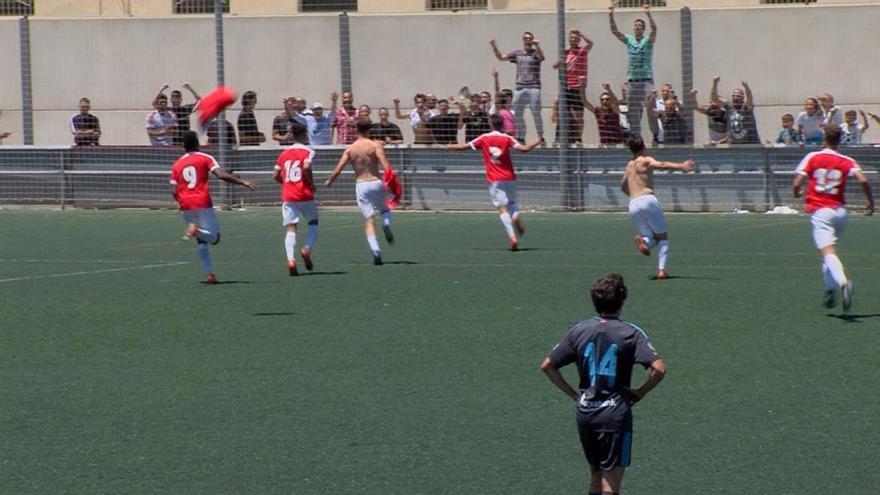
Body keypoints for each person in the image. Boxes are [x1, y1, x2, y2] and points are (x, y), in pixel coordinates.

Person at [541, 273, 666, 495]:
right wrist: (641, 392)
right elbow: (659, 368)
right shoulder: (631, 333)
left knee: (596, 475)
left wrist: (574, 395)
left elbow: (548, 365)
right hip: (615, 415)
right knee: (611, 483)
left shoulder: (579, 329)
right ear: (622, 301)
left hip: (586, 412)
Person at [792, 125, 874, 311]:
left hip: (821, 211)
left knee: (828, 252)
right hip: (840, 212)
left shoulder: (813, 156)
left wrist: (797, 192)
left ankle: (843, 283)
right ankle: (829, 291)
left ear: (824, 139)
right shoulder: (847, 160)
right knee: (827, 251)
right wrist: (870, 202)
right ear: (840, 140)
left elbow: (797, 182)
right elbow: (863, 180)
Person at [170, 131, 257, 284]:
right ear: (197, 144)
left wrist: (181, 203)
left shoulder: (176, 164)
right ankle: (194, 231)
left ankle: (210, 274)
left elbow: (173, 191)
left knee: (201, 241)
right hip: (202, 202)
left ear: (184, 147)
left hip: (185, 205)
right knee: (214, 239)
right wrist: (242, 182)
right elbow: (220, 175)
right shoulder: (205, 158)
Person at [446, 114, 541, 251]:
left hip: (495, 179)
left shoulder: (484, 138)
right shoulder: (507, 138)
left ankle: (512, 237)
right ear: (503, 124)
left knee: (502, 208)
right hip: (509, 176)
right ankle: (516, 216)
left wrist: (449, 146)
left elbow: (464, 147)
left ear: (491, 124)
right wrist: (537, 141)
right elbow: (524, 149)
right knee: (512, 204)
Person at [621, 135, 694, 279]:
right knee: (663, 237)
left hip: (633, 203)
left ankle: (645, 244)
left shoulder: (629, 165)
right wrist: (682, 166)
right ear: (644, 147)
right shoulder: (646, 160)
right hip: (647, 199)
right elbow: (661, 165)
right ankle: (661, 270)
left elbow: (622, 185)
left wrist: (633, 193)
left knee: (650, 237)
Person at [324, 118, 396, 265]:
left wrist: (330, 181)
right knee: (385, 209)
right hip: (376, 181)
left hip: (361, 184)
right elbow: (385, 164)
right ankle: (386, 224)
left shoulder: (351, 149)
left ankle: (376, 250)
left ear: (357, 129)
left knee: (369, 220)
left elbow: (338, 168)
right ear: (370, 129)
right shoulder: (375, 145)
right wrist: (392, 180)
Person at [274, 123, 319, 276]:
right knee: (313, 223)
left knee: (291, 228)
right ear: (305, 135)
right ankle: (306, 248)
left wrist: (286, 183)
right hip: (304, 194)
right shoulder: (308, 151)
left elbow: (275, 175)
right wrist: (311, 184)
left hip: (289, 195)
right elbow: (306, 167)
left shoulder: (284, 153)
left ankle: (291, 260)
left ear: (292, 135)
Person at [609, 4, 656, 140]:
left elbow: (654, 30)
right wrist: (611, 14)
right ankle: (636, 136)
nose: (637, 27)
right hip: (632, 80)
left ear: (643, 29)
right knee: (633, 112)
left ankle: (655, 135)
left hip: (646, 79)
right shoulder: (629, 40)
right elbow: (615, 31)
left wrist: (648, 14)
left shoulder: (647, 41)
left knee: (651, 108)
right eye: (636, 25)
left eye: (640, 26)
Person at [490, 32, 545, 144]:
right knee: (517, 113)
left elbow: (541, 58)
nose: (528, 40)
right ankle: (520, 137)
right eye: (526, 38)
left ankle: (540, 136)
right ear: (523, 40)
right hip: (520, 87)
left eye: (530, 38)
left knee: (536, 111)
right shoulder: (517, 53)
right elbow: (501, 58)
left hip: (533, 87)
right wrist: (494, 46)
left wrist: (537, 46)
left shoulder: (535, 53)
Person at [553, 29, 593, 145]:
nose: (574, 40)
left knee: (577, 116)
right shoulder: (565, 52)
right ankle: (558, 138)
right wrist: (559, 63)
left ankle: (578, 138)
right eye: (572, 38)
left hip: (577, 87)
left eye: (576, 38)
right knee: (561, 114)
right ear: (569, 39)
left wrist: (582, 34)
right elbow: (554, 66)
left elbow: (591, 43)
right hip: (566, 87)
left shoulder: (582, 51)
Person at [710, 77, 759, 145]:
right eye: (733, 96)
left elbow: (750, 99)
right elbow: (714, 99)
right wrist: (715, 83)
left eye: (738, 96)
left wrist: (746, 87)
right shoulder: (729, 106)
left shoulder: (745, 107)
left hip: (750, 144)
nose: (735, 97)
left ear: (742, 98)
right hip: (734, 144)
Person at [581, 81, 623, 145]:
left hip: (617, 143)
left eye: (607, 99)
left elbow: (615, 102)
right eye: (602, 99)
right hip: (604, 143)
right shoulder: (598, 111)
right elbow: (585, 102)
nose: (604, 101)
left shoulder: (614, 111)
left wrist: (609, 90)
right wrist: (582, 87)